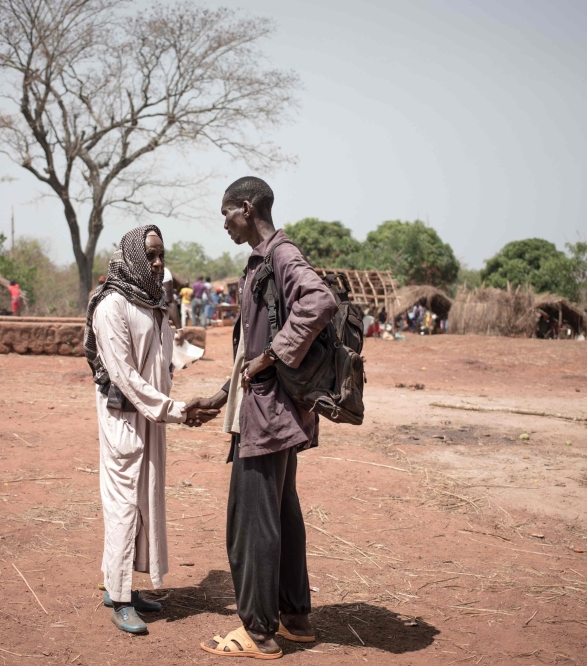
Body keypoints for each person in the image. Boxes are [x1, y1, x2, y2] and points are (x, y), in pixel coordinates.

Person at [195, 177, 337, 659]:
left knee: (251, 521)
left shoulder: (280, 254)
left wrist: (272, 357)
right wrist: (222, 393)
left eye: (227, 212)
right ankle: (295, 619)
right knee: (282, 514)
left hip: (268, 414)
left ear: (247, 208)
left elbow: (319, 301)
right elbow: (250, 348)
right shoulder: (262, 259)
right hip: (270, 410)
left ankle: (257, 632)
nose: (225, 222)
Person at [85, 225, 218, 635]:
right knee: (124, 506)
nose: (159, 264)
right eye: (152, 255)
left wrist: (176, 406)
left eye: (161, 255)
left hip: (153, 418)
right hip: (125, 419)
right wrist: (178, 410)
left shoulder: (153, 302)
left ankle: (121, 585)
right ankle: (120, 599)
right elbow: (124, 376)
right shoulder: (111, 307)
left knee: (146, 502)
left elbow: (161, 365)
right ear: (133, 257)